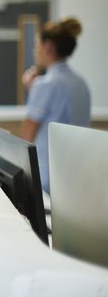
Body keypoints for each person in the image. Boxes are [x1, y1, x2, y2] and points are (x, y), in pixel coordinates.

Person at [21, 17, 90, 193]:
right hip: (78, 175)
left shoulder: (46, 84)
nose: (35, 50)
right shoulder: (81, 83)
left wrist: (34, 90)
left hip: (48, 179)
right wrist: (34, 90)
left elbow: (27, 138)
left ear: (48, 46)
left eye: (37, 45)